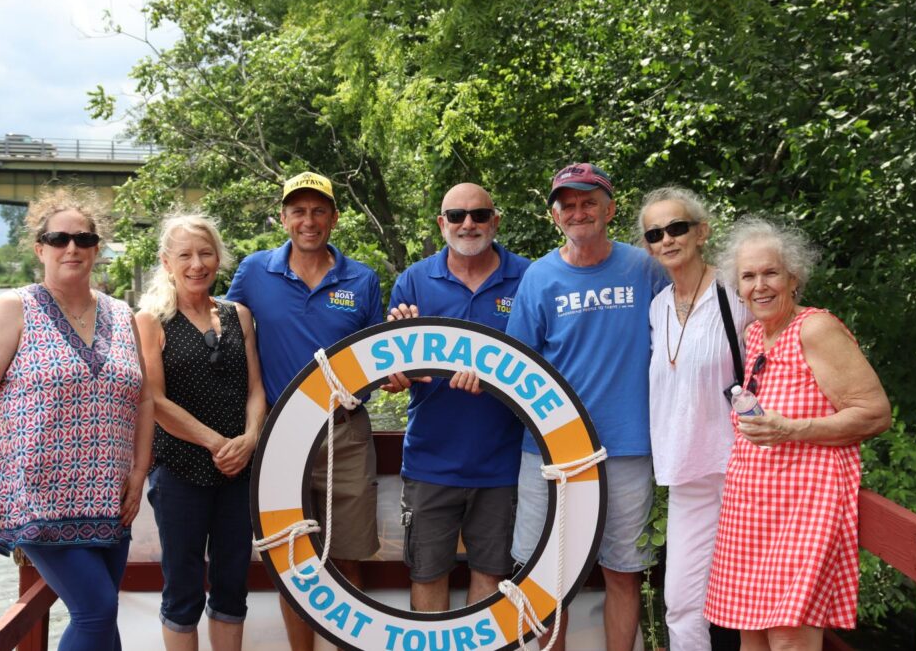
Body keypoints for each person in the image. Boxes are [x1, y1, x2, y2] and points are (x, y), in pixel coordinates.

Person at [0, 186, 154, 651]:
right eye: (59, 239)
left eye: (84, 240)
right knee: (96, 611)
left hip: (110, 495)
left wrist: (139, 470)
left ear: (97, 248)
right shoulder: (14, 309)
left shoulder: (122, 314)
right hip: (39, 494)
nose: (72, 248)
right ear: (40, 247)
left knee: (105, 618)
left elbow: (144, 399)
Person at [704, 217, 891, 650]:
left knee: (790, 638)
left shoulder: (815, 328)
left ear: (793, 277)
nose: (759, 285)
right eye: (748, 276)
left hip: (803, 509)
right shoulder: (755, 335)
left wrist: (793, 429)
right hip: (751, 511)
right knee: (750, 635)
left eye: (770, 272)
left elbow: (875, 414)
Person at [506, 163, 668, 651]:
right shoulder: (539, 277)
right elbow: (515, 367)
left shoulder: (646, 269)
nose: (579, 212)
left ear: (609, 209)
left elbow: (681, 340)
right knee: (544, 577)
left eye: (588, 202)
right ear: (556, 216)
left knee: (623, 571)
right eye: (568, 204)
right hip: (549, 452)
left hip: (626, 446)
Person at [225, 171, 382, 650]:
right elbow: (221, 334)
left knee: (350, 555)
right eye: (298, 211)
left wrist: (393, 377)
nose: (308, 221)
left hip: (346, 431)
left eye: (318, 211)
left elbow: (380, 356)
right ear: (283, 217)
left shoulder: (362, 278)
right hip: (279, 433)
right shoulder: (254, 272)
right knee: (294, 558)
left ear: (334, 217)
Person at [384, 183, 530, 612]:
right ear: (441, 223)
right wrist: (400, 367)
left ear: (496, 220)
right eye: (457, 216)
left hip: (503, 462)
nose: (468, 224)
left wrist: (495, 380)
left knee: (492, 573)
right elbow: (390, 377)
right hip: (430, 461)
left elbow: (547, 361)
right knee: (427, 573)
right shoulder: (413, 280)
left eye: (480, 215)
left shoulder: (529, 277)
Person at [136, 214, 266, 651]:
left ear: (219, 259)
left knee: (232, 585)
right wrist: (217, 443)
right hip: (180, 472)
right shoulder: (151, 320)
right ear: (166, 262)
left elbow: (255, 389)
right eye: (186, 255)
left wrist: (249, 440)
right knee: (183, 588)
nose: (197, 264)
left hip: (239, 472)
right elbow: (153, 401)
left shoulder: (238, 315)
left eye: (206, 253)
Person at [638, 187, 752, 651]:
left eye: (677, 227)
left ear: (701, 232)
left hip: (741, 468)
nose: (667, 238)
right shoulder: (657, 306)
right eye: (655, 232)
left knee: (752, 600)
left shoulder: (737, 294)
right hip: (686, 473)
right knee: (682, 603)